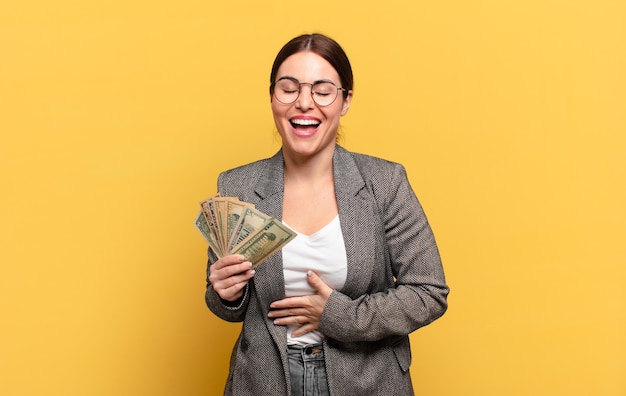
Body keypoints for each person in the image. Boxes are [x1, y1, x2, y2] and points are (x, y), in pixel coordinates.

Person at [205, 33, 449, 396]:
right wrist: (225, 293)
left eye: (322, 90)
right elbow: (227, 307)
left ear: (346, 100)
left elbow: (429, 293)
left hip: (370, 380)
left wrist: (338, 315)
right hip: (265, 381)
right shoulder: (238, 185)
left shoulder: (384, 183)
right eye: (289, 88)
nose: (304, 103)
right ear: (272, 96)